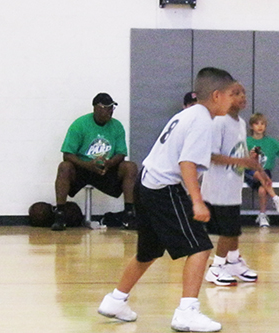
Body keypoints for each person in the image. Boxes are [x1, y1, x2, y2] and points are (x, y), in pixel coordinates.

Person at [96, 67, 239, 332]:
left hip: (146, 183)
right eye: (232, 95)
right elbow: (186, 163)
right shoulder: (202, 121)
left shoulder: (189, 114)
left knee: (148, 252)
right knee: (199, 246)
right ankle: (187, 312)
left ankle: (115, 300)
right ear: (217, 95)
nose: (235, 100)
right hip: (163, 187)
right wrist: (197, 201)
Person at [201, 82, 263, 287]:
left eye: (243, 92)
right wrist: (241, 161)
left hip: (233, 185)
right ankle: (216, 267)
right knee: (228, 230)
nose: (242, 96)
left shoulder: (241, 123)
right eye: (236, 93)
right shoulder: (219, 122)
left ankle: (234, 261)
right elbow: (211, 155)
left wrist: (250, 159)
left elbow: (238, 152)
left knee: (234, 228)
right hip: (218, 187)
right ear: (223, 97)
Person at [54, 92, 138, 231]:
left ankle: (129, 214)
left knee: (130, 167)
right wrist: (87, 165)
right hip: (83, 167)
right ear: (96, 108)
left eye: (112, 108)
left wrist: (109, 162)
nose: (110, 111)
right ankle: (60, 214)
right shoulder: (79, 124)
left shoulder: (117, 126)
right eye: (106, 107)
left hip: (106, 169)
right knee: (64, 167)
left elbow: (121, 153)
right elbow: (67, 154)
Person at [245, 113, 279, 227]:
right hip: (250, 172)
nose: (260, 126)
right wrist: (251, 157)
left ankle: (262, 215)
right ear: (251, 126)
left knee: (262, 190)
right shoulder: (246, 141)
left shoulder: (271, 141)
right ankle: (276, 198)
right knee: (259, 174)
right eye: (256, 123)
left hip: (265, 172)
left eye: (262, 124)